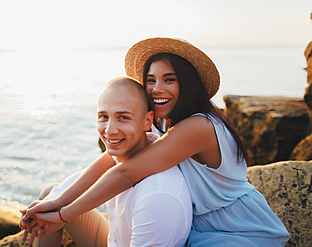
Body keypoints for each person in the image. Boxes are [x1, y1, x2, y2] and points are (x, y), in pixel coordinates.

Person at [22, 37, 290, 246]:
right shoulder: (165, 122)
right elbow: (109, 159)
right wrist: (58, 202)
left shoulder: (199, 125)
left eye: (169, 80)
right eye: (150, 80)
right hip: (197, 226)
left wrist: (62, 215)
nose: (156, 89)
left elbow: (126, 173)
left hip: (236, 230)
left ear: (188, 84)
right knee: (51, 193)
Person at [22, 76, 192, 246]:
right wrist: (39, 212)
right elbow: (81, 181)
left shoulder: (157, 196)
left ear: (147, 121)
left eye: (123, 118)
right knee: (50, 195)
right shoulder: (123, 156)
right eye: (103, 117)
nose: (109, 130)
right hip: (114, 241)